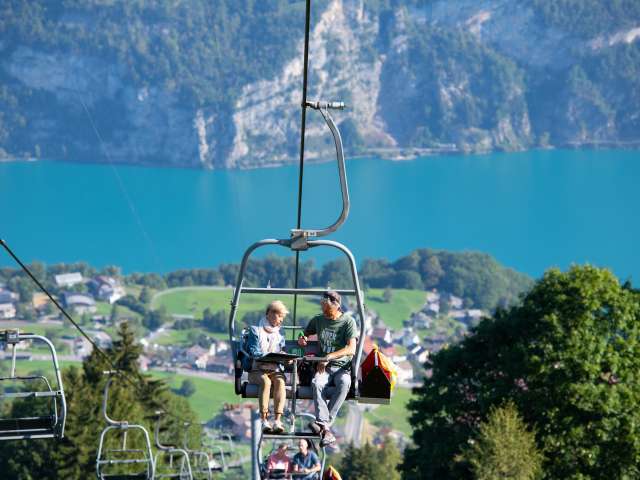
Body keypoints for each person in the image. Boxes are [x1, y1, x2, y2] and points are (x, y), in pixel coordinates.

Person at [298, 290, 357, 446]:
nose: (323, 310)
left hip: (341, 366)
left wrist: (329, 357)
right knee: (317, 383)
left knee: (345, 383)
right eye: (322, 306)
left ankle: (324, 425)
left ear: (336, 306)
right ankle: (326, 429)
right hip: (323, 367)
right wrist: (302, 338)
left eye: (327, 307)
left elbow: (351, 349)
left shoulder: (348, 322)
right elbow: (305, 333)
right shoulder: (319, 320)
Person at [246, 300, 289, 434]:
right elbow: (254, 351)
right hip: (257, 369)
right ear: (270, 314)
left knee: (280, 381)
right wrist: (270, 356)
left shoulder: (280, 333)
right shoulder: (255, 331)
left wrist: (284, 357)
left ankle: (277, 420)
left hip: (274, 369)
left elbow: (281, 350)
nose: (281, 320)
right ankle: (264, 419)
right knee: (266, 382)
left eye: (282, 317)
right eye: (279, 316)